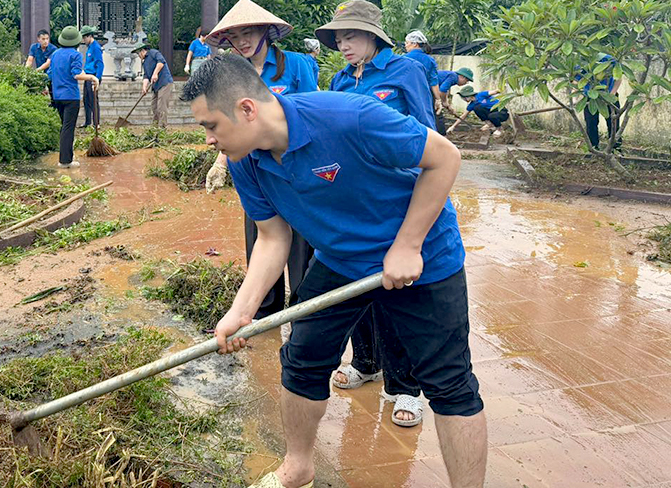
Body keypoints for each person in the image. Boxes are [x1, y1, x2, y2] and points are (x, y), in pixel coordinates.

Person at [180, 54, 486, 488]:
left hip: (424, 259)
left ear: (247, 109)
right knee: (301, 361)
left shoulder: (349, 118)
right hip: (340, 261)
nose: (208, 139)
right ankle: (298, 467)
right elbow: (272, 238)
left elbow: (445, 158)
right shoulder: (243, 159)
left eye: (211, 126)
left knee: (449, 383)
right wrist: (241, 311)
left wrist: (407, 244)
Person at [316, 0, 431, 427]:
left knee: (397, 294)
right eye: (338, 38)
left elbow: (427, 134)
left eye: (350, 36)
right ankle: (365, 363)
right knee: (357, 287)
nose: (343, 44)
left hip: (397, 201)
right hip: (352, 201)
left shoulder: (405, 72)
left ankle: (405, 387)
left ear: (372, 36)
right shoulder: (340, 80)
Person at [204, 0, 318, 322]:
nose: (242, 42)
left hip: (293, 170)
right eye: (235, 37)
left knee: (299, 248)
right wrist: (221, 163)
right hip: (253, 172)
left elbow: (310, 113)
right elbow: (227, 124)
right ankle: (263, 315)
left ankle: (300, 315)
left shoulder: (295, 65)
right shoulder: (229, 75)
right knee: (261, 240)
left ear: (266, 31)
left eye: (248, 33)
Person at [50, 26, 99, 168]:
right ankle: (65, 161)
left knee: (64, 127)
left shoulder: (55, 54)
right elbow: (76, 74)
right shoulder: (75, 55)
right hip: (71, 97)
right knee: (68, 128)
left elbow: (51, 73)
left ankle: (67, 156)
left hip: (57, 96)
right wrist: (92, 77)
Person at [577, 54, 621, 150]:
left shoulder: (608, 59)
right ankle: (593, 148)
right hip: (590, 96)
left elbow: (618, 77)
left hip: (610, 94)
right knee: (591, 123)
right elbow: (574, 80)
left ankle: (616, 148)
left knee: (613, 123)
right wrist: (584, 91)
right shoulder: (580, 62)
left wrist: (611, 95)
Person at [403, 30, 443, 132]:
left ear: (414, 44)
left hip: (405, 95)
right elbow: (433, 82)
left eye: (407, 43)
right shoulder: (429, 60)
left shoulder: (402, 59)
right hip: (425, 96)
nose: (405, 45)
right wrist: (438, 100)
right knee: (426, 122)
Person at [133, 43, 173, 127]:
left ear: (142, 51)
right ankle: (154, 128)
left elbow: (161, 62)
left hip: (164, 82)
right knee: (154, 106)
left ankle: (162, 128)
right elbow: (146, 76)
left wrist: (155, 73)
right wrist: (144, 87)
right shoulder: (144, 63)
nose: (138, 55)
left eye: (138, 53)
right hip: (156, 86)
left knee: (161, 106)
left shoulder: (153, 53)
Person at [80, 25, 104, 128]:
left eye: (85, 37)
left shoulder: (96, 47)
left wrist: (97, 79)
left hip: (94, 76)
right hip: (87, 76)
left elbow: (100, 64)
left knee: (93, 99)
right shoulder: (89, 47)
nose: (84, 40)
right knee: (86, 99)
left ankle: (96, 123)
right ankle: (88, 121)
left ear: (90, 36)